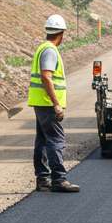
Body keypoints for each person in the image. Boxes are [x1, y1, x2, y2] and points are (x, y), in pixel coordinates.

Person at [29, 14, 78, 193]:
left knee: (42, 140)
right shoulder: (50, 50)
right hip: (47, 103)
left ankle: (43, 179)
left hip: (40, 102)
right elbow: (46, 76)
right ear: (62, 33)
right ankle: (59, 179)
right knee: (56, 140)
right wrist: (56, 103)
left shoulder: (43, 47)